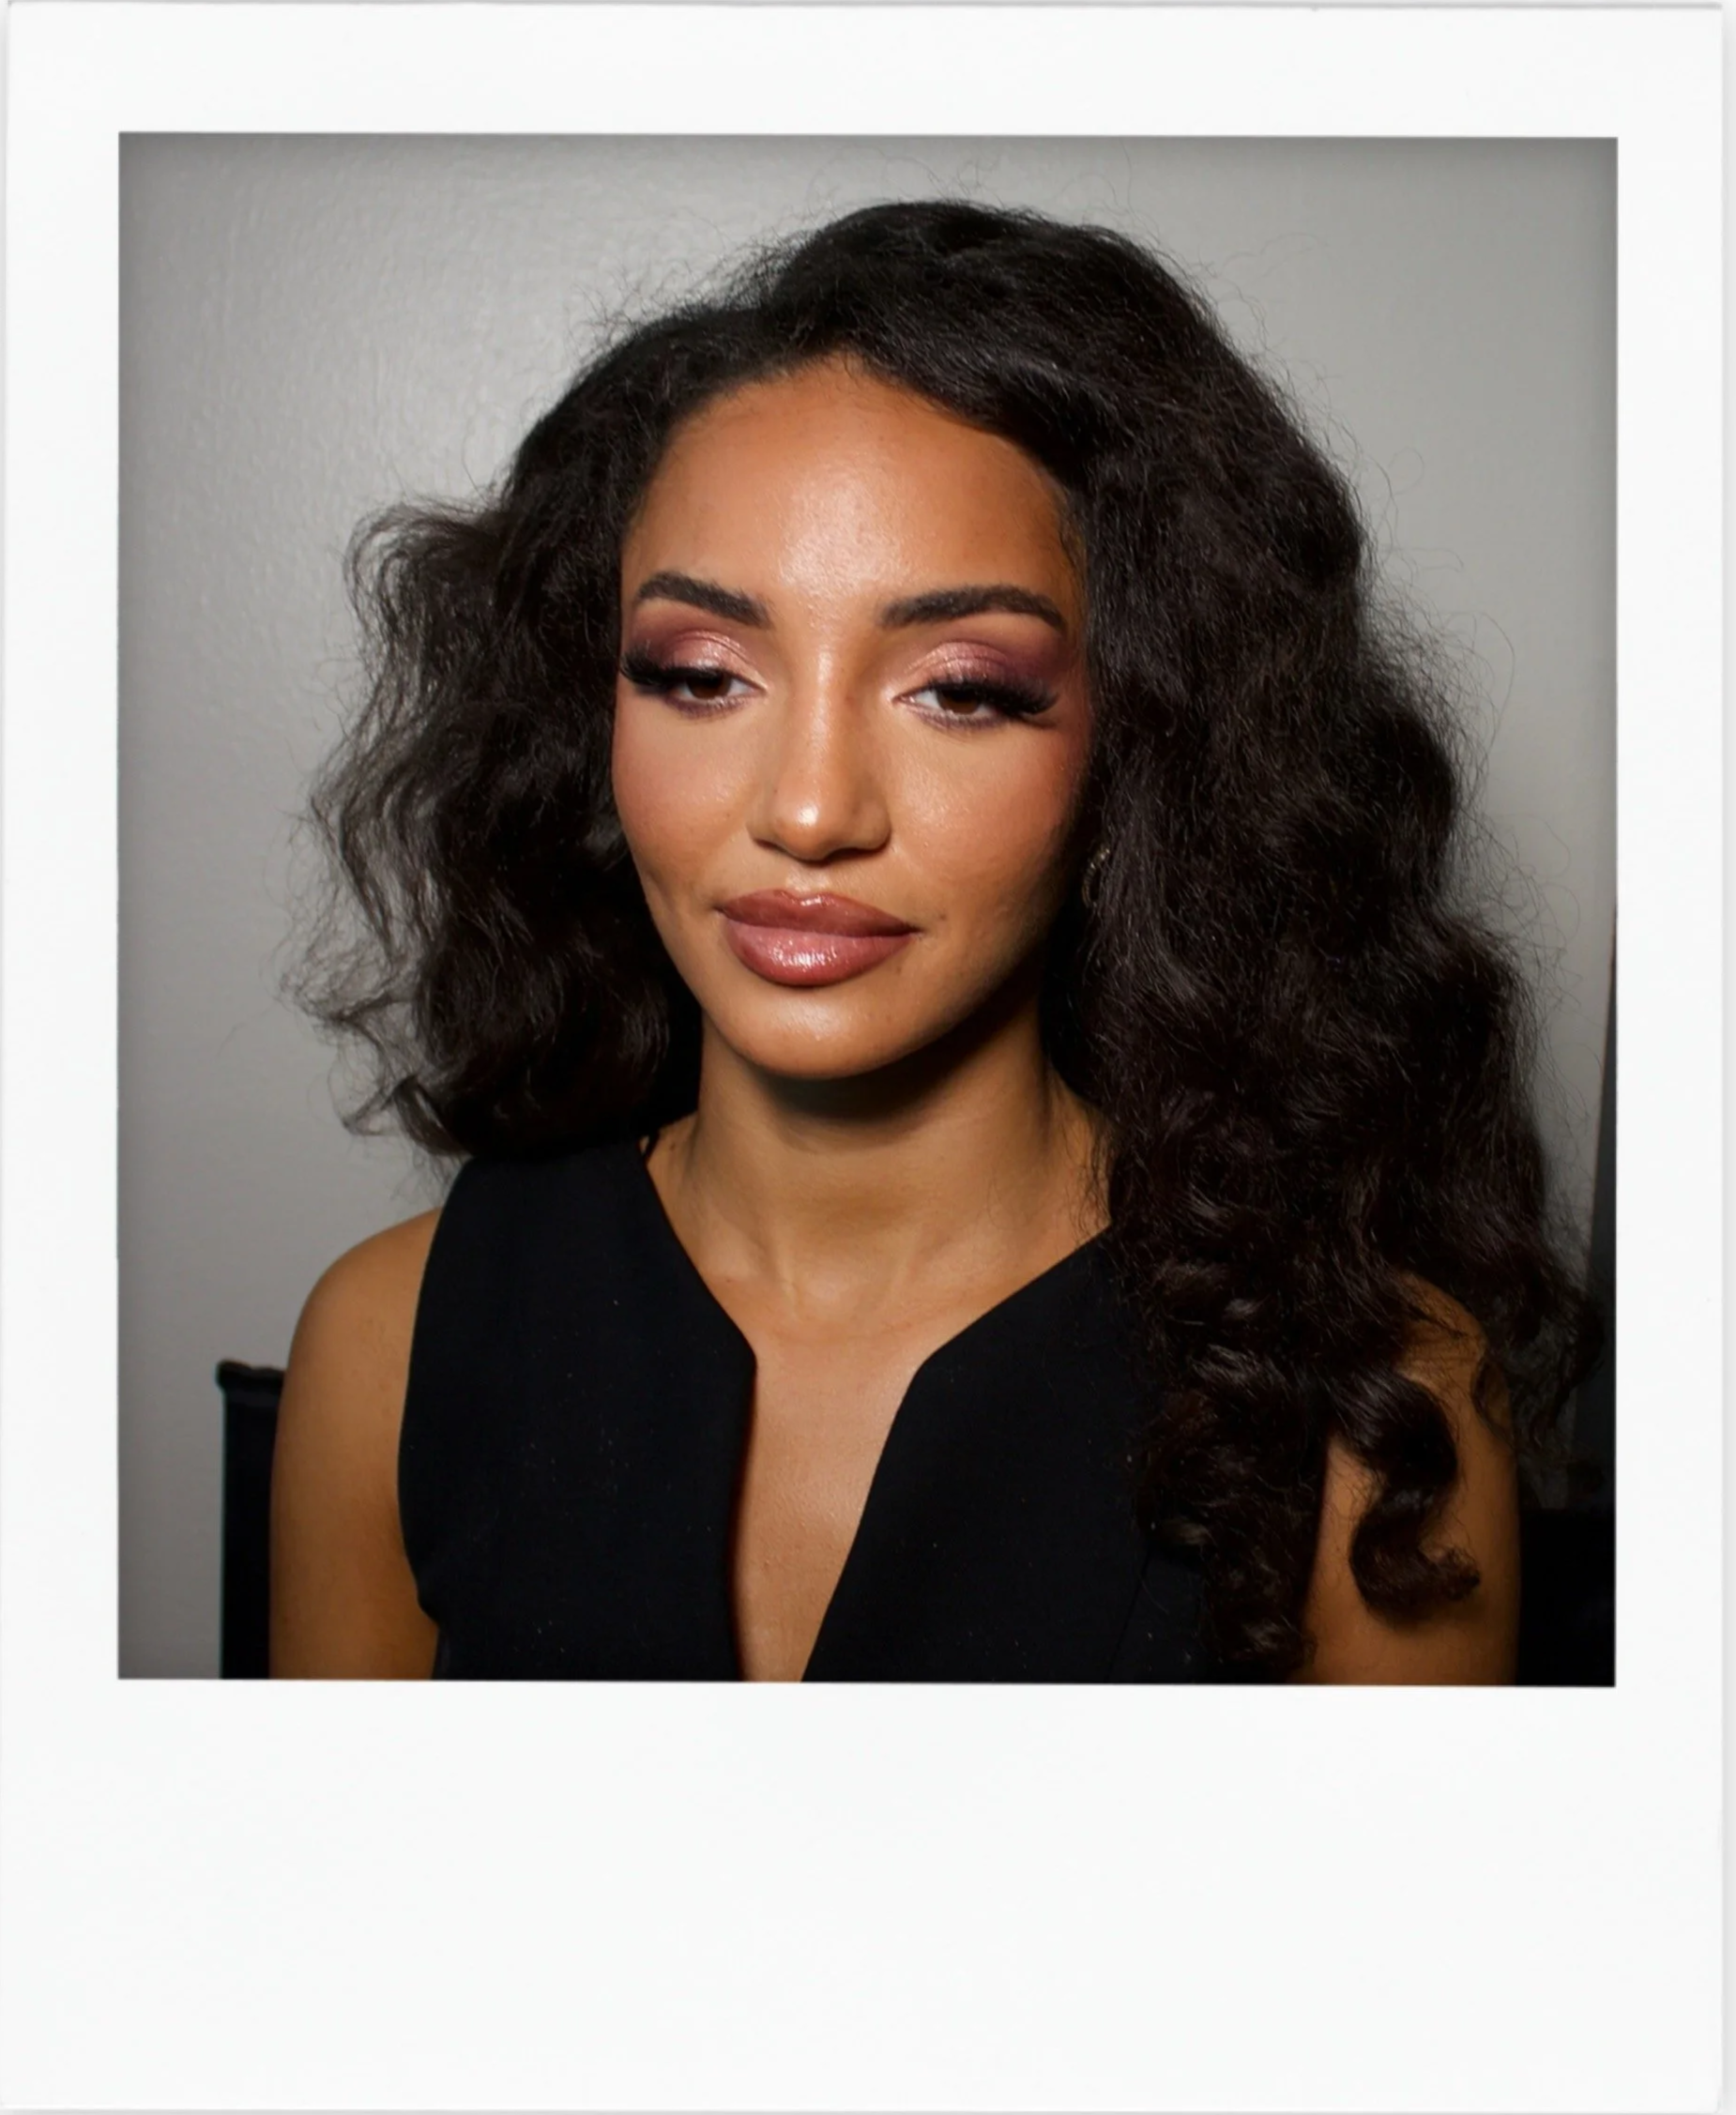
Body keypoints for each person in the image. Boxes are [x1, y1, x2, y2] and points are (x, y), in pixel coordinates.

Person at [270, 198, 1598, 1684]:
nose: (811, 807)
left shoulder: (1378, 1418)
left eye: (962, 689)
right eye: (703, 674)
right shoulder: (388, 1342)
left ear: (1133, 758)